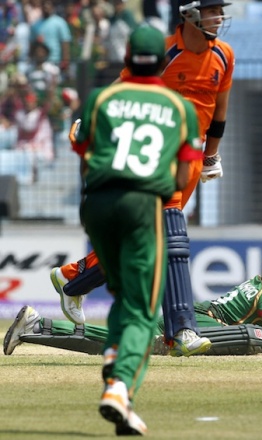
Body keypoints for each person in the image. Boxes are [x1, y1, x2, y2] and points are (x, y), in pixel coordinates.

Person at [50, 0, 235, 358]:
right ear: (189, 14)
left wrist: (211, 155)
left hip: (190, 155)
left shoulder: (224, 55)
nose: (219, 17)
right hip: (157, 156)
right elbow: (122, 90)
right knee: (171, 235)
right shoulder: (162, 52)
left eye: (219, 10)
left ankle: (73, 278)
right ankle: (182, 329)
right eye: (211, 10)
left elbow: (219, 113)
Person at [73, 24, 200, 435]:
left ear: (127, 59)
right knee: (144, 309)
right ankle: (120, 386)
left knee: (124, 296)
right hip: (143, 205)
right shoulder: (179, 107)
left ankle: (114, 357)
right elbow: (183, 175)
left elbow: (82, 148)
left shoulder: (101, 98)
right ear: (163, 63)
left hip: (97, 205)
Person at [4, 252, 262, 357]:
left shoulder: (260, 288)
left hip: (196, 318)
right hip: (195, 320)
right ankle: (37, 325)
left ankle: (37, 325)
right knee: (260, 338)